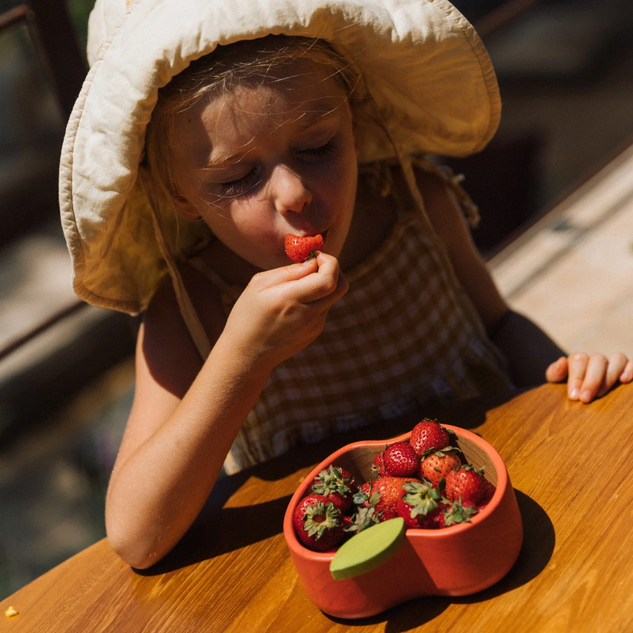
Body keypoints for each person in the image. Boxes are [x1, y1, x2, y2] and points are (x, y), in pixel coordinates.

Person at [60, 0, 631, 569]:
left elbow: (500, 324)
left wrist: (566, 380)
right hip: (343, 572)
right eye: (238, 178)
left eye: (317, 148)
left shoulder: (418, 208)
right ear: (180, 193)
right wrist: (242, 359)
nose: (293, 194)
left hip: (485, 521)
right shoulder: (189, 308)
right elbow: (136, 536)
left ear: (353, 119)